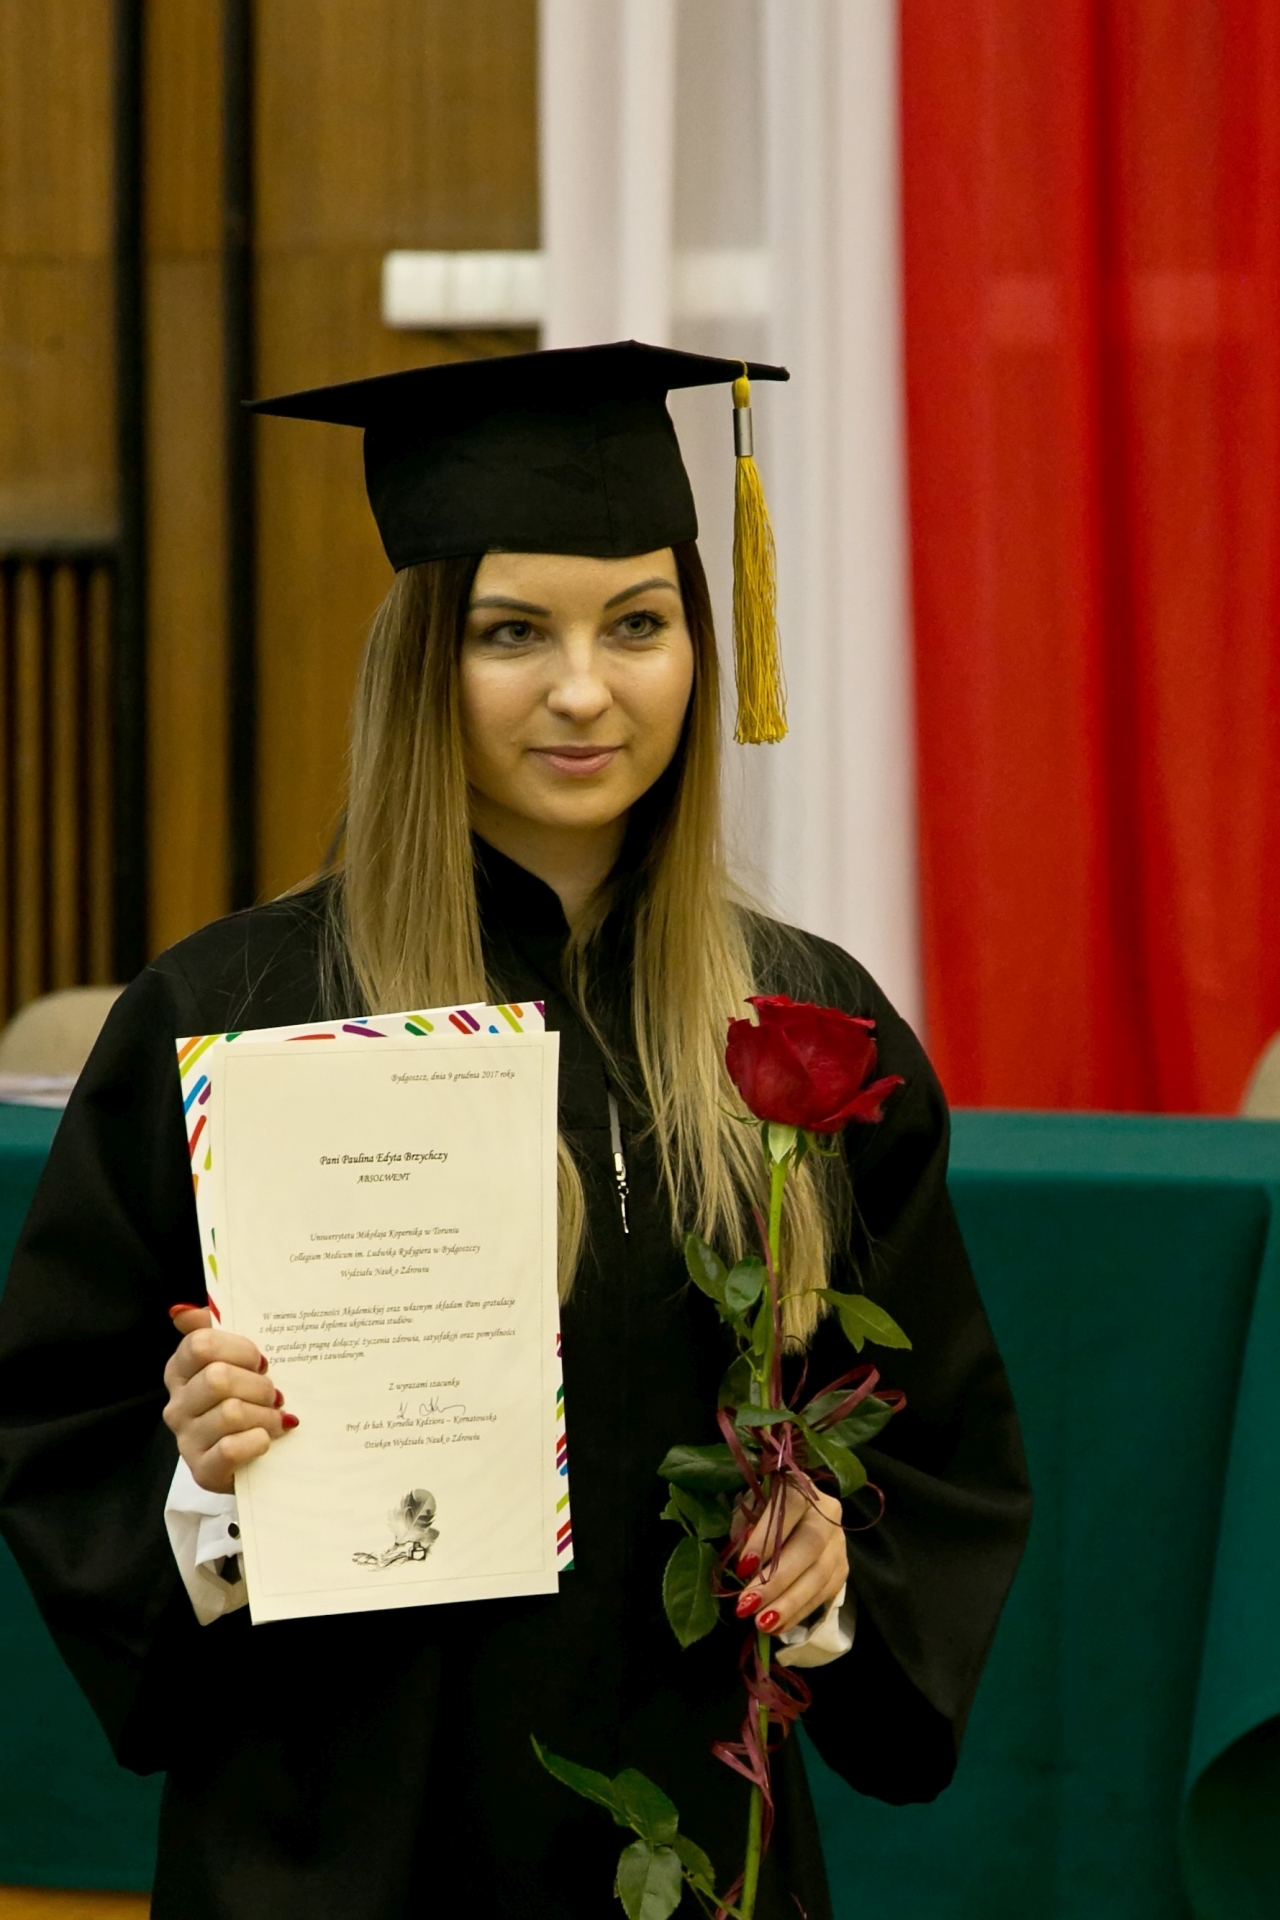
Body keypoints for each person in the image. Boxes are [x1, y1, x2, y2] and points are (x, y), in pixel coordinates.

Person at [0, 342, 1030, 1920]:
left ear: (703, 641)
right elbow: (61, 1433)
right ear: (426, 658)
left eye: (639, 622)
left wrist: (829, 1571)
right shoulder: (241, 1018)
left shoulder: (804, 1030)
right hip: (335, 1852)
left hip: (694, 1856)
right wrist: (200, 1477)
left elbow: (935, 1448)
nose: (584, 688)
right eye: (511, 632)